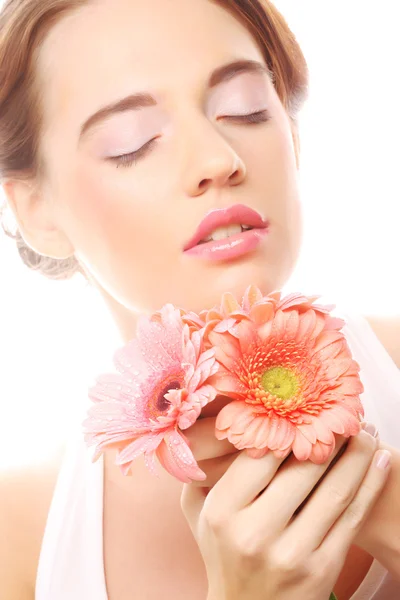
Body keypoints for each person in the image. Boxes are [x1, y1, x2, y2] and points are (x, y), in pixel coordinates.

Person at [0, 0, 399, 598]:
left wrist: (381, 507)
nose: (219, 160)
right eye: (131, 143)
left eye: (246, 109)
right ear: (36, 209)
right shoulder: (22, 530)